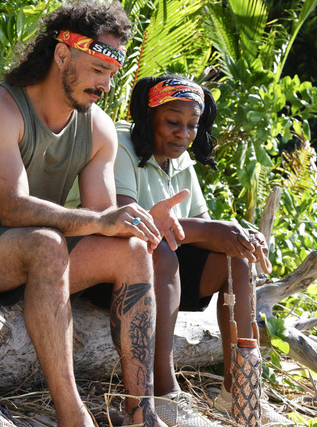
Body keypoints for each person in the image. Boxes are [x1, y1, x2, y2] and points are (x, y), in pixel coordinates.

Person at [0, 0, 186, 427]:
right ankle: (72, 415)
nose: (105, 84)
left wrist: (138, 216)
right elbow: (12, 208)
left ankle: (142, 412)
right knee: (46, 244)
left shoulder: (98, 128)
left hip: (35, 254)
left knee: (133, 250)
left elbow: (102, 219)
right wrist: (101, 220)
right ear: (62, 53)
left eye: (111, 74)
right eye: (98, 69)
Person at [114, 74, 285, 426]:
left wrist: (238, 236)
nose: (184, 134)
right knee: (159, 253)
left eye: (193, 125)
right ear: (149, 117)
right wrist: (213, 229)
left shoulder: (180, 159)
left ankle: (239, 391)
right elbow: (125, 219)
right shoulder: (120, 144)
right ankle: (164, 393)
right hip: (115, 270)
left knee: (235, 255)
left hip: (167, 274)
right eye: (173, 122)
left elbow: (204, 228)